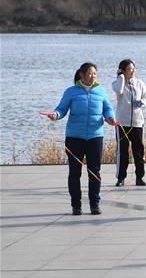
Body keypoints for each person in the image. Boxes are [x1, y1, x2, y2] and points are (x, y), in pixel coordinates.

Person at [44, 63, 117, 215]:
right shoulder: (71, 92)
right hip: (74, 137)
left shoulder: (101, 91)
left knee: (94, 172)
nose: (93, 76)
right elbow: (61, 109)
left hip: (95, 137)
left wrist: (110, 117)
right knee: (74, 172)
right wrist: (55, 115)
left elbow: (108, 108)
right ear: (82, 74)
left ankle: (94, 204)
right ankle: (76, 205)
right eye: (90, 73)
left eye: (95, 73)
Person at [111, 59, 146, 187]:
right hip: (122, 123)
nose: (132, 71)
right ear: (122, 70)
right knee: (122, 151)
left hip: (138, 122)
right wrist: (121, 77)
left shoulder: (140, 83)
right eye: (129, 69)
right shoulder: (117, 83)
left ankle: (140, 177)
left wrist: (141, 103)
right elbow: (119, 91)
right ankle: (120, 178)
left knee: (139, 151)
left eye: (133, 69)